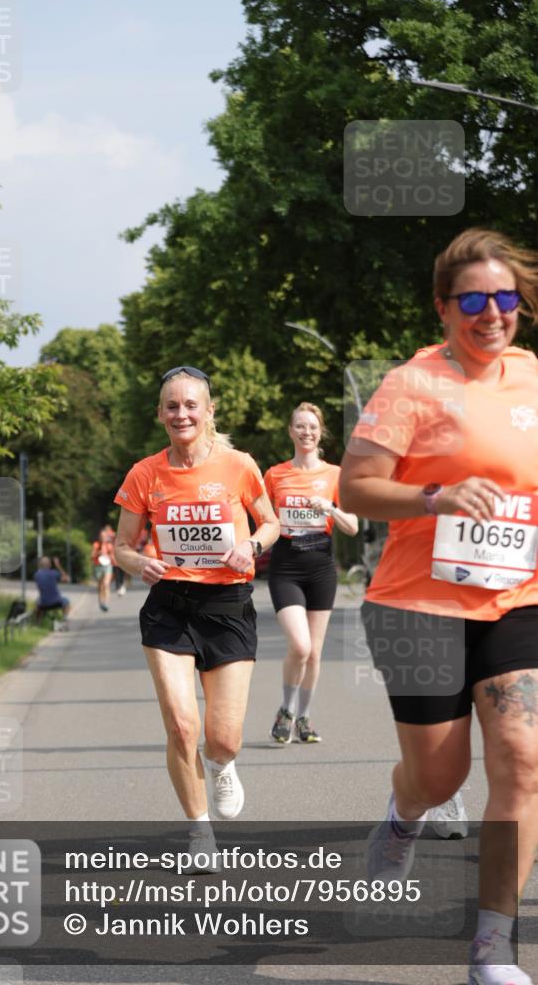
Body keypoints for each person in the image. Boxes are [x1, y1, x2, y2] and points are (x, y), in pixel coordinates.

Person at [339, 228, 538, 985]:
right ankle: (402, 814)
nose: (492, 313)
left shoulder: (526, 374)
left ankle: (492, 949)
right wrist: (436, 495)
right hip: (416, 602)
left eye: (505, 297)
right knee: (440, 777)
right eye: (474, 300)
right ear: (442, 308)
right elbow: (353, 489)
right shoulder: (410, 385)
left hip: (516, 596)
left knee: (521, 759)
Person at [114, 366, 279, 863]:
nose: (181, 413)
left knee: (221, 739)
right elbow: (122, 545)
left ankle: (223, 764)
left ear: (209, 411)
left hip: (227, 607)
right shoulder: (146, 473)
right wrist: (139, 560)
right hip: (169, 608)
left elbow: (270, 522)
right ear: (160, 414)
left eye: (191, 405)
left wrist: (250, 546)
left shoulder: (238, 465)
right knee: (182, 725)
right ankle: (199, 831)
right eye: (171, 405)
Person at [264, 403, 358, 744]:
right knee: (300, 647)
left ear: (321, 433)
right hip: (286, 566)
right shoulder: (275, 475)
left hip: (320, 566)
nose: (306, 432)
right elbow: (263, 520)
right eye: (300, 426)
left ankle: (303, 718)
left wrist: (330, 507)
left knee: (315, 652)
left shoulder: (334, 474)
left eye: (313, 427)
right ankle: (286, 710)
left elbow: (352, 525)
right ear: (291, 431)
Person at [34, 555, 70, 623]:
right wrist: (58, 565)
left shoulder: (37, 575)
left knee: (37, 603)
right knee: (67, 601)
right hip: (57, 602)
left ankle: (37, 622)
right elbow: (67, 579)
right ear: (50, 564)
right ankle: (64, 618)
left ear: (40, 565)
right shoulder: (54, 573)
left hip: (43, 604)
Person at [91, 525, 115, 611]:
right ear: (99, 537)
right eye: (102, 536)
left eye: (104, 536)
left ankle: (105, 603)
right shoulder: (96, 545)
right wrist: (98, 553)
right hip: (98, 566)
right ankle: (101, 601)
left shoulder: (109, 545)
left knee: (106, 584)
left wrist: (111, 557)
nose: (103, 538)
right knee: (100, 586)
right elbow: (92, 556)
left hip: (107, 566)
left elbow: (113, 556)